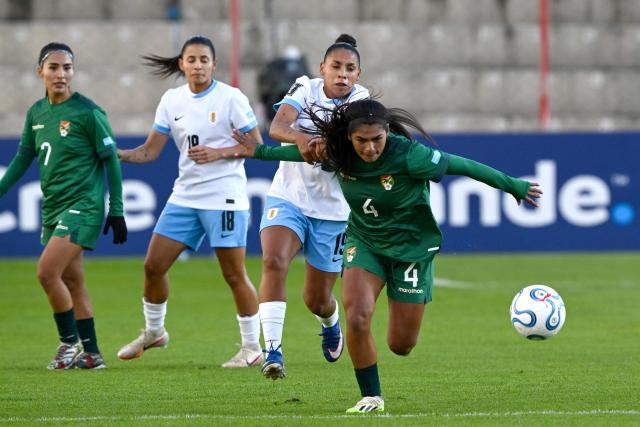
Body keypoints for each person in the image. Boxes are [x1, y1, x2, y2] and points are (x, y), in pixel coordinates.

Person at [227, 99, 543, 413]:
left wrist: (513, 186)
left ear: (386, 133)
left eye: (376, 139)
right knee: (358, 313)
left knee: (401, 344)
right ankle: (371, 397)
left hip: (411, 250)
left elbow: (463, 165)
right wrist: (257, 151)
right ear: (349, 137)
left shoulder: (409, 155)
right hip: (365, 243)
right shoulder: (339, 152)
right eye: (361, 140)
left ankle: (414, 297)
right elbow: (295, 153)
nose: (369, 148)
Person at [116, 35, 264, 368]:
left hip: (224, 195)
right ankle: (155, 332)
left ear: (214, 64)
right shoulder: (171, 100)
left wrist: (220, 152)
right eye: (192, 60)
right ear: (182, 64)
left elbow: (257, 146)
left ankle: (252, 347)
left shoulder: (231, 98)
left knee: (233, 274)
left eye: (204, 60)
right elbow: (150, 151)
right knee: (153, 266)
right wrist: (119, 155)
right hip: (185, 195)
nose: (198, 65)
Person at [0, 42, 127, 370]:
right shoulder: (36, 113)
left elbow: (111, 160)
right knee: (73, 282)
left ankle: (69, 344)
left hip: (83, 206)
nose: (61, 74)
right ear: (40, 71)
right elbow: (22, 158)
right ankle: (93, 354)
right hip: (53, 206)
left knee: (46, 272)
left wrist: (116, 210)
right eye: (53, 67)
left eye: (67, 67)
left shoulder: (88, 112)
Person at [257, 34, 370, 380]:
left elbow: (357, 149)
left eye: (350, 69)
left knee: (316, 300)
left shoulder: (362, 103)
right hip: (288, 196)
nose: (342, 74)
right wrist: (302, 138)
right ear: (322, 68)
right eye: (335, 67)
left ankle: (329, 320)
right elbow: (277, 126)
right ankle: (271, 351)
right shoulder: (304, 88)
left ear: (358, 73)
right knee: (273, 260)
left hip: (333, 211)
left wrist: (334, 150)